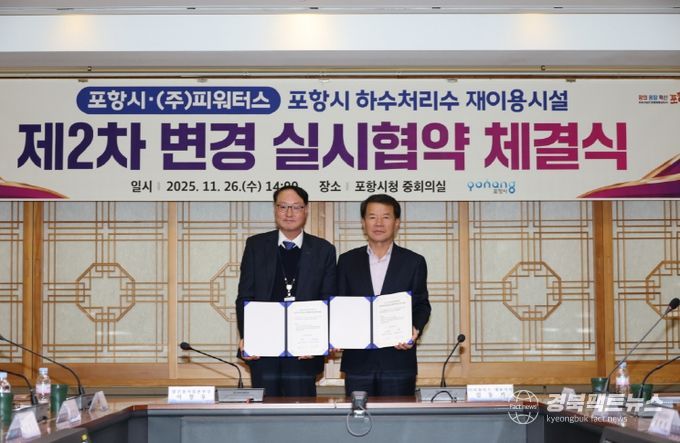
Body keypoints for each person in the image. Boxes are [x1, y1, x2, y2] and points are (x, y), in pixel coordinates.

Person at [235, 185, 336, 397]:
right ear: (275, 209)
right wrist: (248, 336)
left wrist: (318, 340)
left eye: (296, 207)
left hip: (304, 352)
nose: (289, 213)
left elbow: (327, 300)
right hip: (264, 350)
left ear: (306, 210)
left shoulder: (323, 250)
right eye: (283, 207)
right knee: (264, 409)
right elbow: (245, 296)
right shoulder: (256, 245)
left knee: (301, 411)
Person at [337, 194, 431, 397]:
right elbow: (339, 304)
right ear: (363, 223)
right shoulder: (346, 261)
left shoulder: (414, 262)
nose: (378, 223)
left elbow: (422, 304)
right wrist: (336, 333)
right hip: (358, 361)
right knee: (358, 414)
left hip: (398, 361)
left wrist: (414, 328)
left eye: (386, 217)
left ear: (397, 223)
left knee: (398, 416)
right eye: (372, 217)